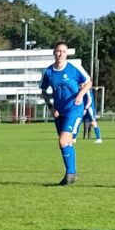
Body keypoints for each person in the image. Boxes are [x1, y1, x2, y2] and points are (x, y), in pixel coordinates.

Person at [40, 41, 91, 185]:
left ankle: (70, 174)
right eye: (58, 51)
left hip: (74, 109)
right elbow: (43, 92)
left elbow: (88, 82)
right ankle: (71, 174)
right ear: (54, 53)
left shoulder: (73, 69)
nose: (60, 54)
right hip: (59, 112)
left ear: (66, 54)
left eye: (63, 51)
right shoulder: (49, 72)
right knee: (66, 143)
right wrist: (51, 108)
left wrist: (81, 94)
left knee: (63, 141)